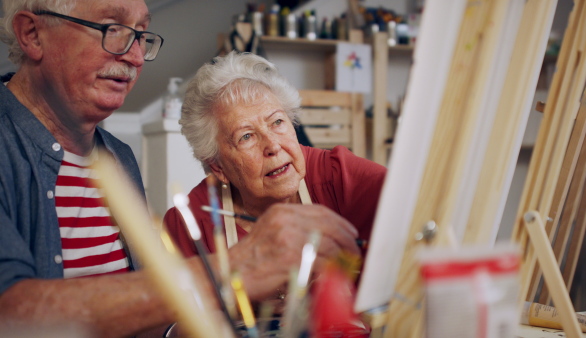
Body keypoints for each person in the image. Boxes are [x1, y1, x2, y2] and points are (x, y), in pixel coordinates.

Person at [0, 1, 361, 336]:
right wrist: (233, 270)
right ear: (32, 33)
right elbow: (9, 313)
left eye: (141, 35)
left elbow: (137, 311)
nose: (136, 56)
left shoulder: (117, 157)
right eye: (112, 28)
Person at [163, 52, 386, 268]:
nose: (273, 146)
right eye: (246, 137)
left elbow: (411, 200)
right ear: (217, 166)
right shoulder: (189, 224)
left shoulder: (337, 175)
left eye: (277, 122)